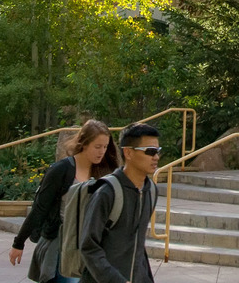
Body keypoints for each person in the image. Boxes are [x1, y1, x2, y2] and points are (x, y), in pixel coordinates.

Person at [12, 119, 120, 283]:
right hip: (63, 243)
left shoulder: (104, 172)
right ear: (84, 143)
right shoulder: (61, 169)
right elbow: (40, 208)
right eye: (97, 147)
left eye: (105, 147)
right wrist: (19, 243)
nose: (102, 152)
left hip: (91, 245)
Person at [77, 123, 162, 283]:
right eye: (150, 151)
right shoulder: (107, 192)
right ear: (128, 153)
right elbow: (89, 247)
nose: (156, 157)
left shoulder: (150, 190)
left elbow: (137, 244)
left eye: (158, 151)